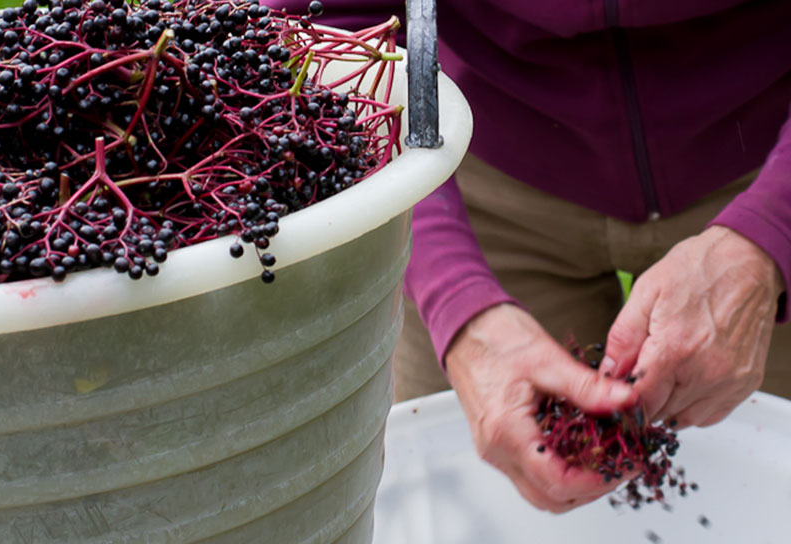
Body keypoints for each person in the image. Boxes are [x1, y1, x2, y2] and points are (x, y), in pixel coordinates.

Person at [268, 0, 791, 512]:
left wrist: (770, 232)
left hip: (765, 150)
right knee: (488, 490)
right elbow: (328, 24)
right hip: (469, 169)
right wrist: (453, 292)